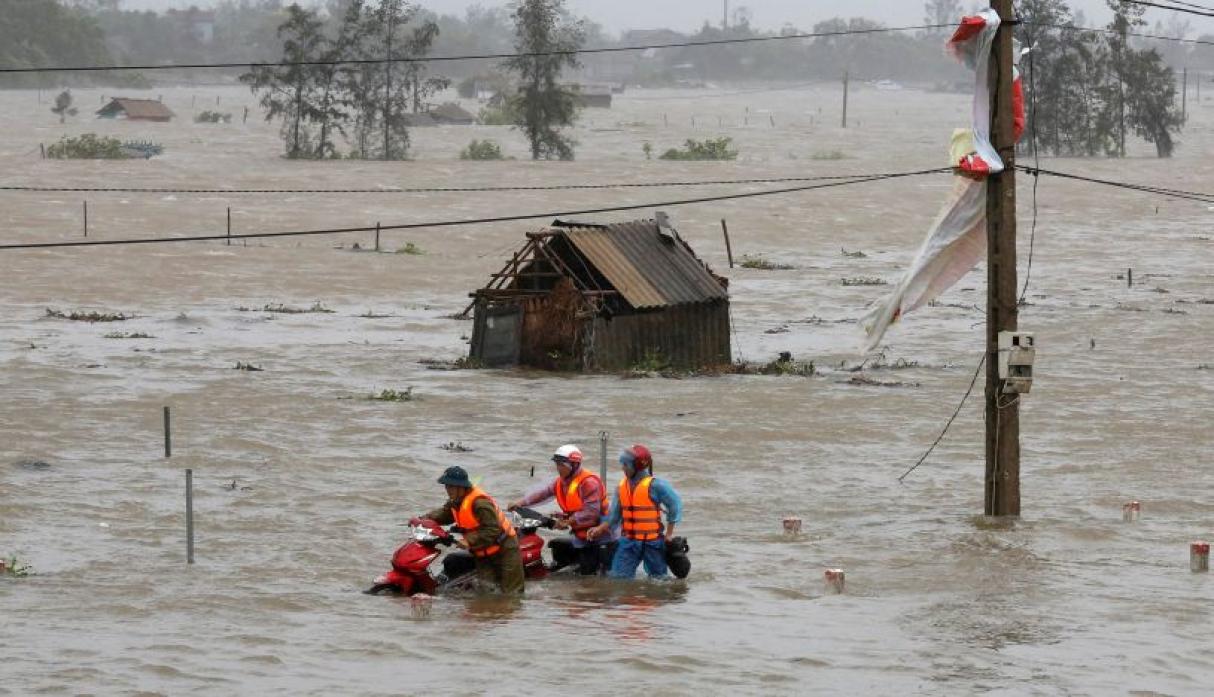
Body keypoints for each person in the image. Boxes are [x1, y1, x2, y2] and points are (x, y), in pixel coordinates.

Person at [508, 444, 615, 575]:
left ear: (574, 465)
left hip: (602, 535)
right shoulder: (561, 482)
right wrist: (520, 503)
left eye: (561, 465)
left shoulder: (589, 483)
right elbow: (543, 493)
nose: (558, 468)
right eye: (557, 464)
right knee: (578, 568)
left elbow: (591, 512)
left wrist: (568, 521)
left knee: (592, 575)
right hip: (581, 532)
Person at [418, 466, 524, 595]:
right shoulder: (456, 501)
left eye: (451, 486)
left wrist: (468, 540)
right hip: (482, 552)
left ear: (461, 487)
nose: (447, 490)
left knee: (512, 594)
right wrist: (423, 520)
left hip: (505, 549)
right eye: (446, 486)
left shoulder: (480, 503)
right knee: (487, 593)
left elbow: (492, 529)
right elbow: (444, 514)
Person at [586, 444, 682, 579]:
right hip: (629, 542)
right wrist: (599, 529)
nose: (623, 468)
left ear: (637, 466)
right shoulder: (621, 488)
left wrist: (669, 534)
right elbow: (614, 517)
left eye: (626, 465)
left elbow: (675, 505)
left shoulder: (657, 485)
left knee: (660, 580)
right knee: (618, 578)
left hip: (653, 543)